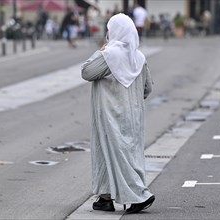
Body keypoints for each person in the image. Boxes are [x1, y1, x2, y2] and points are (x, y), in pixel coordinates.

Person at [81, 13, 155, 214]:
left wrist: (101, 50)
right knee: (126, 153)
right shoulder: (138, 57)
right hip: (134, 115)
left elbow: (86, 72)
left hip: (110, 115)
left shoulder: (109, 54)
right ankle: (105, 197)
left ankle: (139, 196)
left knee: (115, 153)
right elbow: (147, 88)